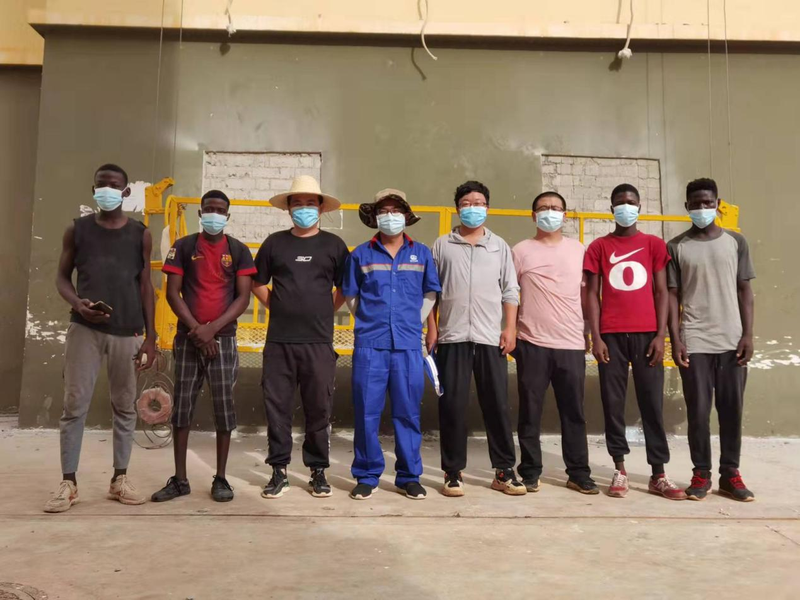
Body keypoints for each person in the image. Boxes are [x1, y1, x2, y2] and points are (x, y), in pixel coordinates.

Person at [45, 164, 156, 513]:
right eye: (101, 185)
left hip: (128, 332)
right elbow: (62, 278)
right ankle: (69, 483)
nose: (108, 190)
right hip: (85, 329)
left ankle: (119, 479)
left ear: (126, 192)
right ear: (93, 190)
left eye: (115, 185)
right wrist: (78, 303)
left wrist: (151, 338)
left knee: (124, 406)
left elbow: (146, 286)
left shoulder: (140, 234)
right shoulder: (77, 230)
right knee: (74, 406)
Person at [151, 190, 256, 503]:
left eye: (220, 210)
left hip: (223, 340)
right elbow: (173, 293)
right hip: (189, 339)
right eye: (209, 209)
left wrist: (212, 330)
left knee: (224, 408)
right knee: (182, 408)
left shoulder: (238, 251)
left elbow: (243, 298)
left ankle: (221, 478)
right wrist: (198, 330)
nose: (214, 214)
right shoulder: (183, 247)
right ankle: (180, 479)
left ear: (227, 215)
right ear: (200, 213)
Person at [584, 184, 685, 500]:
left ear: (639, 207)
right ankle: (619, 469)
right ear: (611, 209)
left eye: (630, 202)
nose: (625, 207)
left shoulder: (654, 245)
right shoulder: (599, 247)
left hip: (647, 336)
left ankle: (659, 474)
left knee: (652, 404)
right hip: (611, 336)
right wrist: (596, 336)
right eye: (619, 202)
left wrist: (660, 335)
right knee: (612, 404)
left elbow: (662, 292)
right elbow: (592, 294)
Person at [252, 176, 350, 499]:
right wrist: (278, 306)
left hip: (318, 343)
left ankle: (318, 471)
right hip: (279, 342)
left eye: (310, 203)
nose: (304, 209)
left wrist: (324, 309)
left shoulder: (334, 246)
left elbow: (344, 288)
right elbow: (257, 283)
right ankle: (278, 471)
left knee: (319, 409)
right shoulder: (274, 244)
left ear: (321, 208)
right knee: (277, 408)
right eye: (298, 203)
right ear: (288, 208)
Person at [427, 181, 526, 497]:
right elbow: (431, 291)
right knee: (452, 406)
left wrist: (509, 328)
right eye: (467, 203)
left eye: (479, 202)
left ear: (488, 207)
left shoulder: (499, 246)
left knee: (497, 405)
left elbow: (510, 289)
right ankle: (452, 472)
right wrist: (432, 328)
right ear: (458, 208)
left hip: (489, 339)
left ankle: (504, 471)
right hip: (452, 337)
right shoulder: (442, 245)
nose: (473, 208)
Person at [343, 189, 441, 500]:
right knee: (366, 412)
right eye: (383, 210)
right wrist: (370, 321)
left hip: (407, 345)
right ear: (374, 217)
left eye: (396, 210)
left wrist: (413, 322)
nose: (390, 216)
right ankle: (367, 475)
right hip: (370, 345)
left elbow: (430, 294)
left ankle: (409, 476)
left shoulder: (421, 253)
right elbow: (351, 296)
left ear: (406, 216)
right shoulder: (360, 254)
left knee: (408, 413)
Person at [668, 178, 755, 502]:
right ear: (687, 207)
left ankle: (730, 475)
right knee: (699, 412)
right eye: (696, 204)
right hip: (695, 341)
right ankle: (701, 474)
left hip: (732, 341)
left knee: (731, 411)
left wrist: (747, 334)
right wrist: (676, 339)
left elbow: (745, 290)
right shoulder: (676, 246)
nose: (702, 208)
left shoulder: (736, 242)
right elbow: (672, 296)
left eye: (708, 203)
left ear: (718, 204)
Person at [512, 191, 597, 495]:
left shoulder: (579, 250)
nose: (550, 212)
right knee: (529, 411)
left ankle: (578, 473)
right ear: (533, 215)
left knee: (573, 412)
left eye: (556, 208)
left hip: (571, 343)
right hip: (531, 342)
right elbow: (507, 293)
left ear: (565, 214)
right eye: (544, 208)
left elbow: (586, 296)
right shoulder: (520, 251)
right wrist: (509, 331)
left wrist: (589, 332)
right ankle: (530, 471)